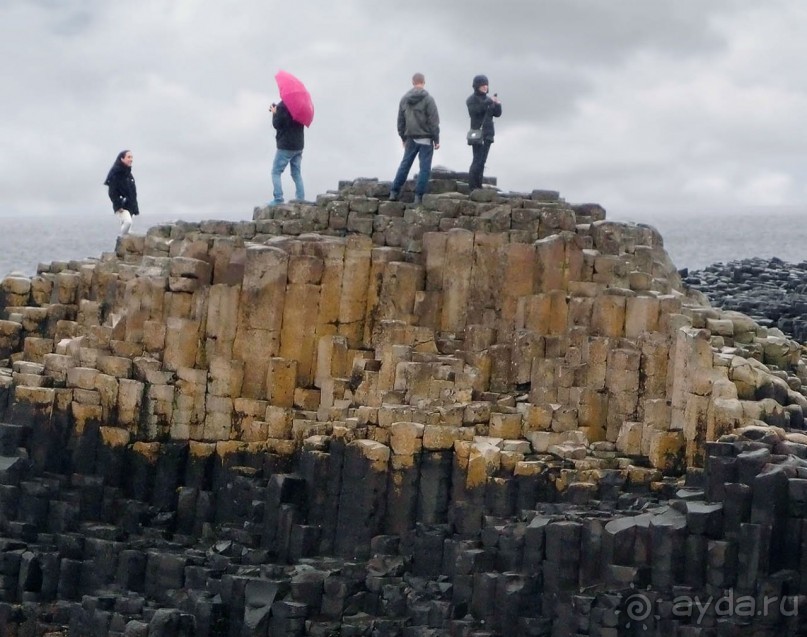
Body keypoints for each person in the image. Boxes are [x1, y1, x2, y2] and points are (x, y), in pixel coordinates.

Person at [389, 72, 440, 205]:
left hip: (410, 137)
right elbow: (434, 121)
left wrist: (403, 137)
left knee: (405, 165)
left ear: (413, 82)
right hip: (426, 139)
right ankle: (418, 197)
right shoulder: (429, 99)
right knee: (424, 168)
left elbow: (400, 121)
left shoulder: (404, 99)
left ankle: (394, 192)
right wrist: (437, 139)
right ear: (423, 82)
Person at [466, 74, 502, 192]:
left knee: (482, 161)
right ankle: (472, 186)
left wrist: (497, 104)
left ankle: (478, 185)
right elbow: (475, 111)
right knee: (477, 160)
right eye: (482, 85)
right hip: (477, 135)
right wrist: (488, 102)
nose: (485, 87)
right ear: (477, 86)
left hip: (488, 134)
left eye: (486, 85)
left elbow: (497, 114)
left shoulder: (488, 99)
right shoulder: (471, 100)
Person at [269, 100, 305, 205]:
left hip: (285, 146)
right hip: (298, 146)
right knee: (296, 173)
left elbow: (276, 124)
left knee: (275, 172)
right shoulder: (300, 107)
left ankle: (278, 198)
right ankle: (300, 199)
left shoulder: (283, 106)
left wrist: (274, 112)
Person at [104, 150, 139, 235]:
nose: (131, 159)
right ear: (122, 159)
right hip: (122, 205)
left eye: (131, 157)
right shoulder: (116, 173)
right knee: (128, 222)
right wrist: (118, 205)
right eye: (128, 157)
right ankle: (121, 240)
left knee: (128, 228)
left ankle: (124, 244)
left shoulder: (128, 174)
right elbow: (112, 191)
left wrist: (135, 207)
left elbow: (133, 192)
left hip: (130, 205)